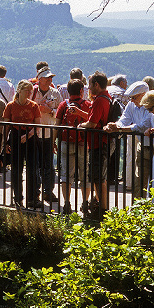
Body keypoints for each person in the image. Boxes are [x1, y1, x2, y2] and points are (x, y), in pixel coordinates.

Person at [103, 81, 154, 198]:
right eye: (131, 98)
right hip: (142, 145)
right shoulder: (132, 105)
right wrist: (115, 125)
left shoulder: (151, 106)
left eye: (134, 97)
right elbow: (124, 118)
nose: (132, 100)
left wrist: (120, 129)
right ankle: (139, 206)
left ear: (144, 94)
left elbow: (142, 126)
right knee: (139, 179)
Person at [53, 79, 91, 214]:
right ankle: (85, 203)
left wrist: (53, 142)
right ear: (81, 90)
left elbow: (57, 125)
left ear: (68, 91)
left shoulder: (64, 105)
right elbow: (92, 120)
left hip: (65, 141)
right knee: (84, 174)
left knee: (66, 175)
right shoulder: (87, 104)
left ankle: (67, 204)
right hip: (82, 142)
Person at [78, 71, 112, 219]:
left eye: (90, 84)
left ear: (96, 85)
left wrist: (81, 125)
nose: (88, 87)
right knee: (100, 178)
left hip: (98, 143)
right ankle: (102, 208)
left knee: (98, 178)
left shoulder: (99, 100)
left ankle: (102, 210)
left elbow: (92, 123)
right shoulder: (107, 98)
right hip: (101, 142)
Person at [3, 79, 42, 208]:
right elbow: (6, 126)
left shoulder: (33, 106)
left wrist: (29, 135)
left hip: (30, 138)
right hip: (15, 137)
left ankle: (32, 198)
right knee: (16, 169)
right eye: (27, 91)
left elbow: (38, 125)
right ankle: (18, 198)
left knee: (32, 169)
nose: (30, 93)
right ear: (19, 91)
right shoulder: (11, 106)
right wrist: (5, 143)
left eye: (31, 91)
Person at [31, 67, 62, 203]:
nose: (50, 80)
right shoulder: (32, 92)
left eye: (51, 78)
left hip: (49, 132)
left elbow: (61, 111)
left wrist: (49, 110)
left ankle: (48, 191)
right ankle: (36, 192)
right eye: (47, 77)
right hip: (35, 133)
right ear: (40, 79)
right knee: (36, 164)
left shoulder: (55, 92)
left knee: (48, 164)